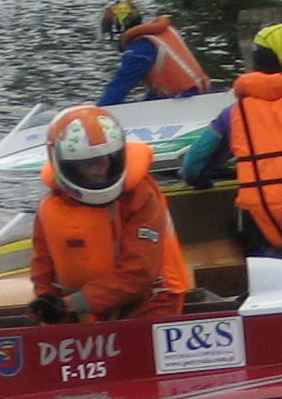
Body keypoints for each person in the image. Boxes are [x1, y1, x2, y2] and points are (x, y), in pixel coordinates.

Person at [179, 22, 282, 255]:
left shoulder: (234, 114)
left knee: (246, 228)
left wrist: (203, 183)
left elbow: (192, 167)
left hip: (253, 225)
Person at [28, 105, 193, 322]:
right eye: (89, 163)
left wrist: (72, 304)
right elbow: (42, 265)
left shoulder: (140, 195)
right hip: (81, 307)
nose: (99, 170)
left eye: (105, 159)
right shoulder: (51, 204)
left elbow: (139, 272)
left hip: (150, 300)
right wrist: (47, 302)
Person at [98, 0, 209, 105]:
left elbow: (119, 88)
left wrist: (97, 111)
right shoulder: (163, 33)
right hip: (198, 94)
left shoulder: (139, 49)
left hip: (183, 102)